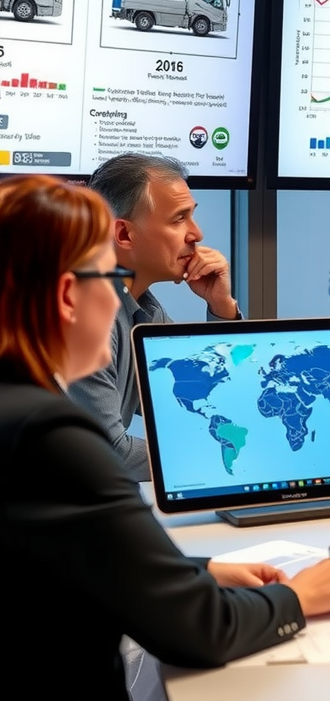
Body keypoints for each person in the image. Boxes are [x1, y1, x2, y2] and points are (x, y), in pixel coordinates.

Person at [0, 174, 330, 701]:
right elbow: (198, 631)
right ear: (69, 295)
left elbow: (65, 564)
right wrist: (299, 596)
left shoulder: (17, 410)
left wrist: (199, 570)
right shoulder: (50, 436)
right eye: (111, 277)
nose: (119, 299)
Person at [68, 153, 240, 481]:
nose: (197, 234)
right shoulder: (83, 315)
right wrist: (216, 452)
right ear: (124, 235)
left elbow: (200, 397)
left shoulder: (141, 307)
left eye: (192, 216)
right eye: (179, 219)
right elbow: (105, 452)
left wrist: (221, 306)